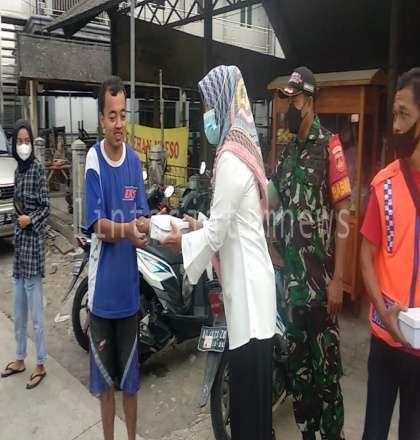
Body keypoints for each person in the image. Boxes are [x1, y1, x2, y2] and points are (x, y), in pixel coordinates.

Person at [162, 65, 276, 440]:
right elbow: (230, 222)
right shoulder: (245, 150)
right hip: (255, 293)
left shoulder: (230, 158)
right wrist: (197, 228)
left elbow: (218, 232)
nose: (206, 115)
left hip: (249, 301)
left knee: (247, 412)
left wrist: (182, 240)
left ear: (225, 103)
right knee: (255, 407)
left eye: (209, 105)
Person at [268, 67, 351, 440]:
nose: (290, 106)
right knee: (300, 379)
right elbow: (270, 202)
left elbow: (344, 214)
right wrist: (270, 244)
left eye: (295, 99)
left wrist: (339, 279)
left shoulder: (330, 147)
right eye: (286, 99)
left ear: (311, 101)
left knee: (326, 378)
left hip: (321, 291)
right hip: (292, 293)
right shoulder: (286, 153)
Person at [85, 76, 149, 440]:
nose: (119, 123)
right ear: (101, 119)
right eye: (112, 116)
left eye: (123, 115)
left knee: (131, 384)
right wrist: (128, 230)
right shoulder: (93, 160)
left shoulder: (134, 161)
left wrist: (147, 228)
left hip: (128, 296)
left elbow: (140, 216)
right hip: (101, 299)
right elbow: (98, 226)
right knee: (106, 385)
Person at [360, 67, 420, 440]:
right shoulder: (384, 184)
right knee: (374, 432)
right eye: (394, 114)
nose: (396, 125)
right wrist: (385, 313)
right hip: (385, 340)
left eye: (404, 115)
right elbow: (366, 256)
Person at [1, 120, 49, 389]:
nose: (23, 146)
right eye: (19, 141)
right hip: (19, 252)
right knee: (19, 314)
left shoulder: (38, 170)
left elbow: (46, 208)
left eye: (26, 141)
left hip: (33, 249)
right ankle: (20, 358)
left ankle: (40, 364)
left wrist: (31, 219)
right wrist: (20, 219)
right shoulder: (18, 172)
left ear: (31, 142)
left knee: (36, 317)